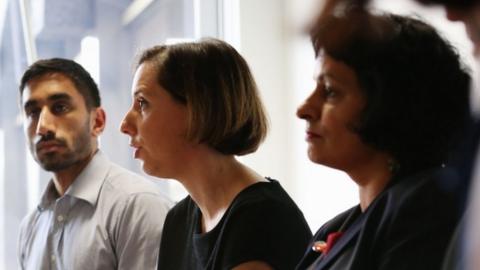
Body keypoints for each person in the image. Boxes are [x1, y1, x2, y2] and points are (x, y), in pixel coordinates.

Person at [295, 9, 471, 270]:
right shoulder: (335, 228)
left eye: (330, 91)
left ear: (390, 105)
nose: (304, 109)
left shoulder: (424, 209)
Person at [120, 38, 312, 270]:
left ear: (198, 109)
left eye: (142, 103)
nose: (124, 124)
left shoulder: (262, 219)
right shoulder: (178, 220)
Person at [17, 58, 173, 270]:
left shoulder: (138, 206)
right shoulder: (31, 227)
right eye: (33, 113)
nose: (42, 127)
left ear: (97, 121)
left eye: (60, 107)